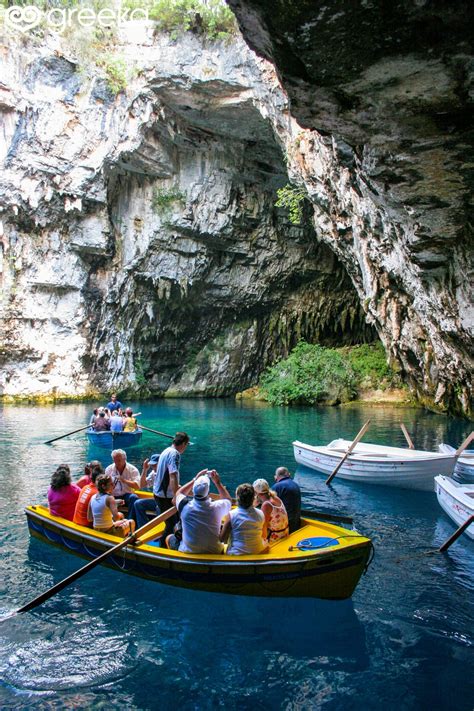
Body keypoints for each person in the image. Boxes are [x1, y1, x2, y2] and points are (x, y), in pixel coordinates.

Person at [166, 469, 232, 553]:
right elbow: (228, 500)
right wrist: (217, 483)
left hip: (189, 551)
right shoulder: (217, 507)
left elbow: (179, 493)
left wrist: (195, 479)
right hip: (214, 550)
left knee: (169, 538)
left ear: (193, 491)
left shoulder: (184, 506)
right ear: (208, 492)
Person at [153, 432, 190, 543]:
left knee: (174, 521)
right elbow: (172, 475)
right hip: (166, 496)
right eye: (186, 445)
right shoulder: (175, 454)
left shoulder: (166, 451)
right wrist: (176, 496)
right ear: (183, 443)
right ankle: (163, 549)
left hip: (158, 493)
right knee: (172, 525)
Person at [220, 483, 268, 555]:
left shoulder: (231, 515)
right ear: (253, 498)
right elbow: (264, 535)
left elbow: (222, 539)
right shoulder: (260, 513)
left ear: (237, 498)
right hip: (257, 551)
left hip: (236, 554)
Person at [105, 449, 140, 523]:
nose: (117, 463)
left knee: (134, 497)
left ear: (125, 459)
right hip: (113, 496)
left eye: (119, 460)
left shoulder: (133, 469)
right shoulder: (109, 469)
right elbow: (105, 488)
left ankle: (130, 522)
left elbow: (137, 486)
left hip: (127, 495)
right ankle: (110, 522)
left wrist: (124, 481)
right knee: (105, 498)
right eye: (115, 460)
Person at [253, 478, 289, 543]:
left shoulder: (266, 505)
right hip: (285, 533)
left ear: (256, 493)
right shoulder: (275, 497)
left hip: (275, 538)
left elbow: (264, 527)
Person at [73, 462, 105, 527]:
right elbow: (91, 518)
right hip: (87, 525)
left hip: (77, 521)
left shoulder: (85, 487)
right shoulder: (98, 493)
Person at [134, 453, 160, 529]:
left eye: (155, 465)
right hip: (156, 500)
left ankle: (158, 534)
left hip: (165, 502)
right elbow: (141, 485)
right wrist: (144, 469)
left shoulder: (167, 473)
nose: (153, 467)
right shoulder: (153, 473)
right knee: (138, 503)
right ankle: (144, 529)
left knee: (159, 508)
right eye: (152, 465)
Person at [273, 466, 301, 533]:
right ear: (289, 474)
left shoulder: (277, 487)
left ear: (276, 477)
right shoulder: (295, 484)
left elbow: (268, 503)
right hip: (297, 521)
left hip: (286, 524)